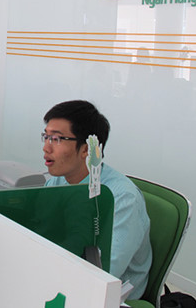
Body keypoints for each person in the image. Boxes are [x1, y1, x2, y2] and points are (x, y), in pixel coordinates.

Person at [43, 100, 151, 300]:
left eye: (56, 139)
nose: (46, 148)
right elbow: (42, 232)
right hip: (63, 276)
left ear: (87, 149)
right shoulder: (57, 181)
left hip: (109, 295)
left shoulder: (122, 198)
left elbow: (104, 272)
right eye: (46, 137)